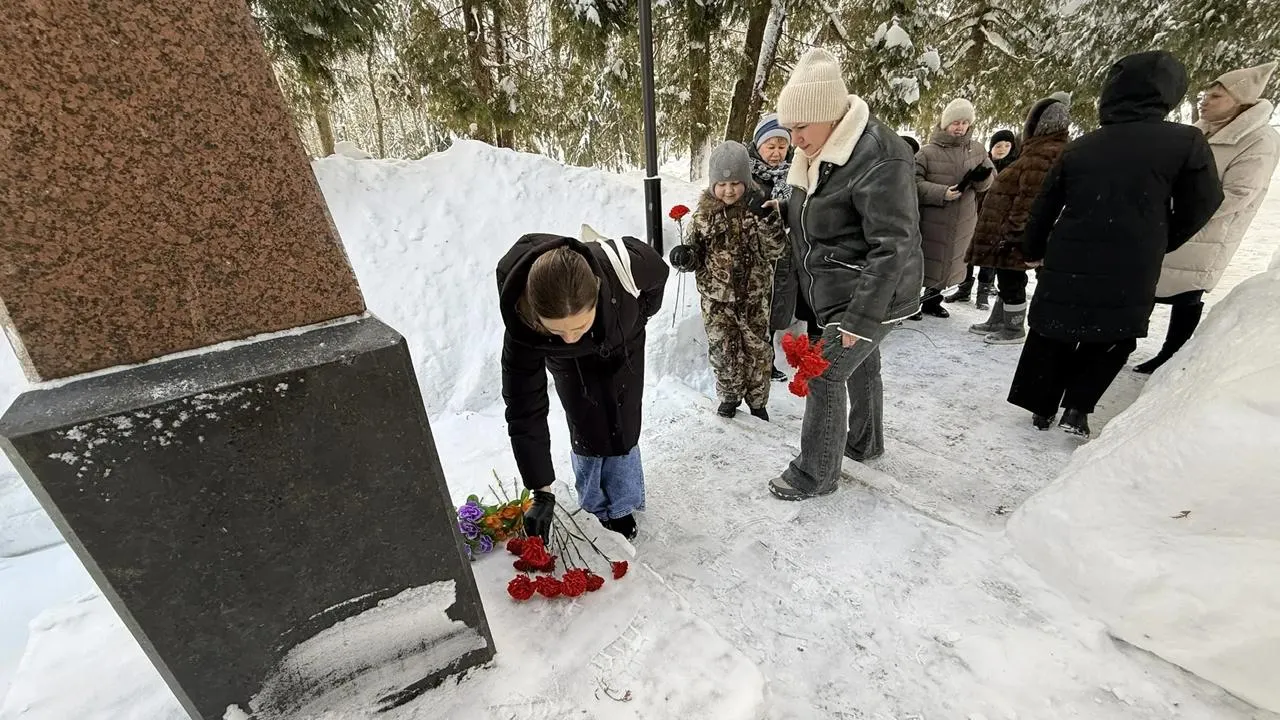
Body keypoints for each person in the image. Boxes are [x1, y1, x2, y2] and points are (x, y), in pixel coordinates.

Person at [1008, 51, 1223, 438]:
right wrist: (1161, 237)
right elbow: (1206, 201)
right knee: (1111, 333)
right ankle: (1077, 409)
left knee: (1053, 328)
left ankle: (1040, 406)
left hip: (1069, 252)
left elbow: (1045, 204)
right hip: (1133, 259)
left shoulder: (1083, 145)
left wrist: (1031, 247)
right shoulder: (1184, 142)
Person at [765, 48, 924, 501]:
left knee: (823, 373)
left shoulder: (879, 154)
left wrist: (859, 320)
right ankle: (864, 442)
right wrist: (787, 209)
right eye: (788, 129)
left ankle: (815, 474)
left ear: (829, 116)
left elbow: (891, 245)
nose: (793, 140)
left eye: (800, 128)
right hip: (844, 286)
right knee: (861, 364)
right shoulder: (819, 149)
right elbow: (826, 204)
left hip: (874, 292)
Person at [497, 229, 669, 542]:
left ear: (598, 292)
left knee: (625, 419)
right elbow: (524, 409)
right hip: (570, 364)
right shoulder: (523, 332)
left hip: (622, 342)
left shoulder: (622, 267)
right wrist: (541, 491)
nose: (571, 337)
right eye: (558, 331)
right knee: (587, 426)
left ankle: (622, 504)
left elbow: (659, 270)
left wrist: (641, 314)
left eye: (578, 326)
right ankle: (594, 503)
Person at [1138, 61, 1280, 374]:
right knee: (1148, 282)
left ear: (1241, 102)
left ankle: (1171, 355)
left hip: (1209, 231)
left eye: (1216, 96)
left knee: (1186, 293)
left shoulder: (1259, 140)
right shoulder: (1197, 132)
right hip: (1173, 220)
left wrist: (1187, 211)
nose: (1204, 100)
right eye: (1205, 94)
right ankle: (1125, 342)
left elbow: (1240, 193)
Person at [669, 141, 786, 420]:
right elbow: (695, 253)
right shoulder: (702, 217)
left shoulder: (758, 212)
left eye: (736, 182)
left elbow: (776, 250)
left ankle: (758, 402)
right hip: (716, 301)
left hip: (753, 299)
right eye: (722, 183)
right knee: (723, 351)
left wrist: (769, 220)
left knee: (757, 352)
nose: (729, 190)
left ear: (746, 181)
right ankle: (729, 396)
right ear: (712, 184)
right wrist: (683, 257)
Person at [967, 94, 1073, 345]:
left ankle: (1013, 328)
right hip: (1006, 230)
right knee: (1006, 277)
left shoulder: (1044, 154)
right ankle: (999, 320)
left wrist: (1015, 231)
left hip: (1013, 233)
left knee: (1012, 279)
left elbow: (1030, 199)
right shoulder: (1037, 150)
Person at [914, 98, 995, 319]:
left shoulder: (977, 150)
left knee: (950, 262)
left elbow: (989, 180)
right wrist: (942, 192)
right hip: (933, 218)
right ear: (945, 124)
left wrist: (981, 180)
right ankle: (911, 305)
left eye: (964, 122)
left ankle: (933, 301)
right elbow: (913, 182)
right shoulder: (927, 153)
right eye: (955, 122)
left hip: (963, 219)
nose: (959, 127)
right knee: (924, 261)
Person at [947, 128, 1021, 309]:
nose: (1002, 149)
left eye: (1006, 145)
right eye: (998, 145)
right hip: (975, 216)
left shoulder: (1014, 167)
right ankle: (964, 290)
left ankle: (983, 294)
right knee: (969, 255)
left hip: (998, 221)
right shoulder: (983, 163)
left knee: (989, 259)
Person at [750, 113, 799, 382]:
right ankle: (759, 361)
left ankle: (766, 359)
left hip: (783, 258)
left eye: (782, 147)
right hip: (756, 257)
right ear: (759, 146)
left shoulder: (793, 175)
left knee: (774, 308)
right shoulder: (746, 176)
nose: (777, 153)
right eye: (771, 146)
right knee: (757, 308)